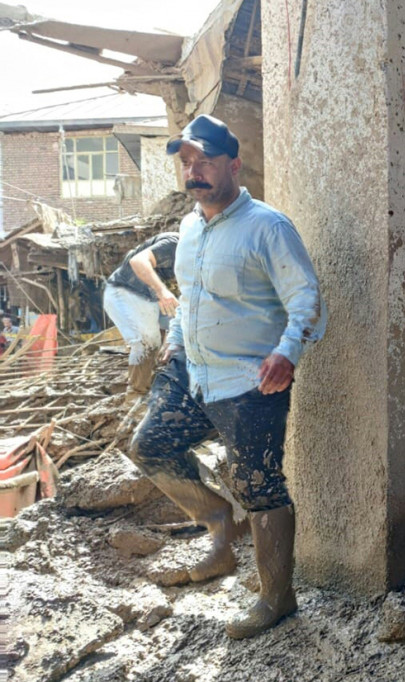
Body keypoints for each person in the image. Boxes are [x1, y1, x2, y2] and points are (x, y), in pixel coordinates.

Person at [127, 114, 326, 639]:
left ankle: (277, 598)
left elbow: (304, 295)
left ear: (233, 165)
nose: (195, 172)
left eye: (206, 162)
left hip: (249, 382)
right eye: (187, 163)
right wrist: (174, 341)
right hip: (193, 371)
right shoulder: (190, 228)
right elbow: (191, 295)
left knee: (260, 485)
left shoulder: (268, 226)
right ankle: (220, 523)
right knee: (150, 446)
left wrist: (287, 354)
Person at [102, 232, 179, 394]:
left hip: (147, 297)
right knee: (147, 342)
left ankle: (146, 377)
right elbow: (137, 261)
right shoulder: (175, 243)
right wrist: (162, 291)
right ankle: (136, 395)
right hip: (125, 292)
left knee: (172, 327)